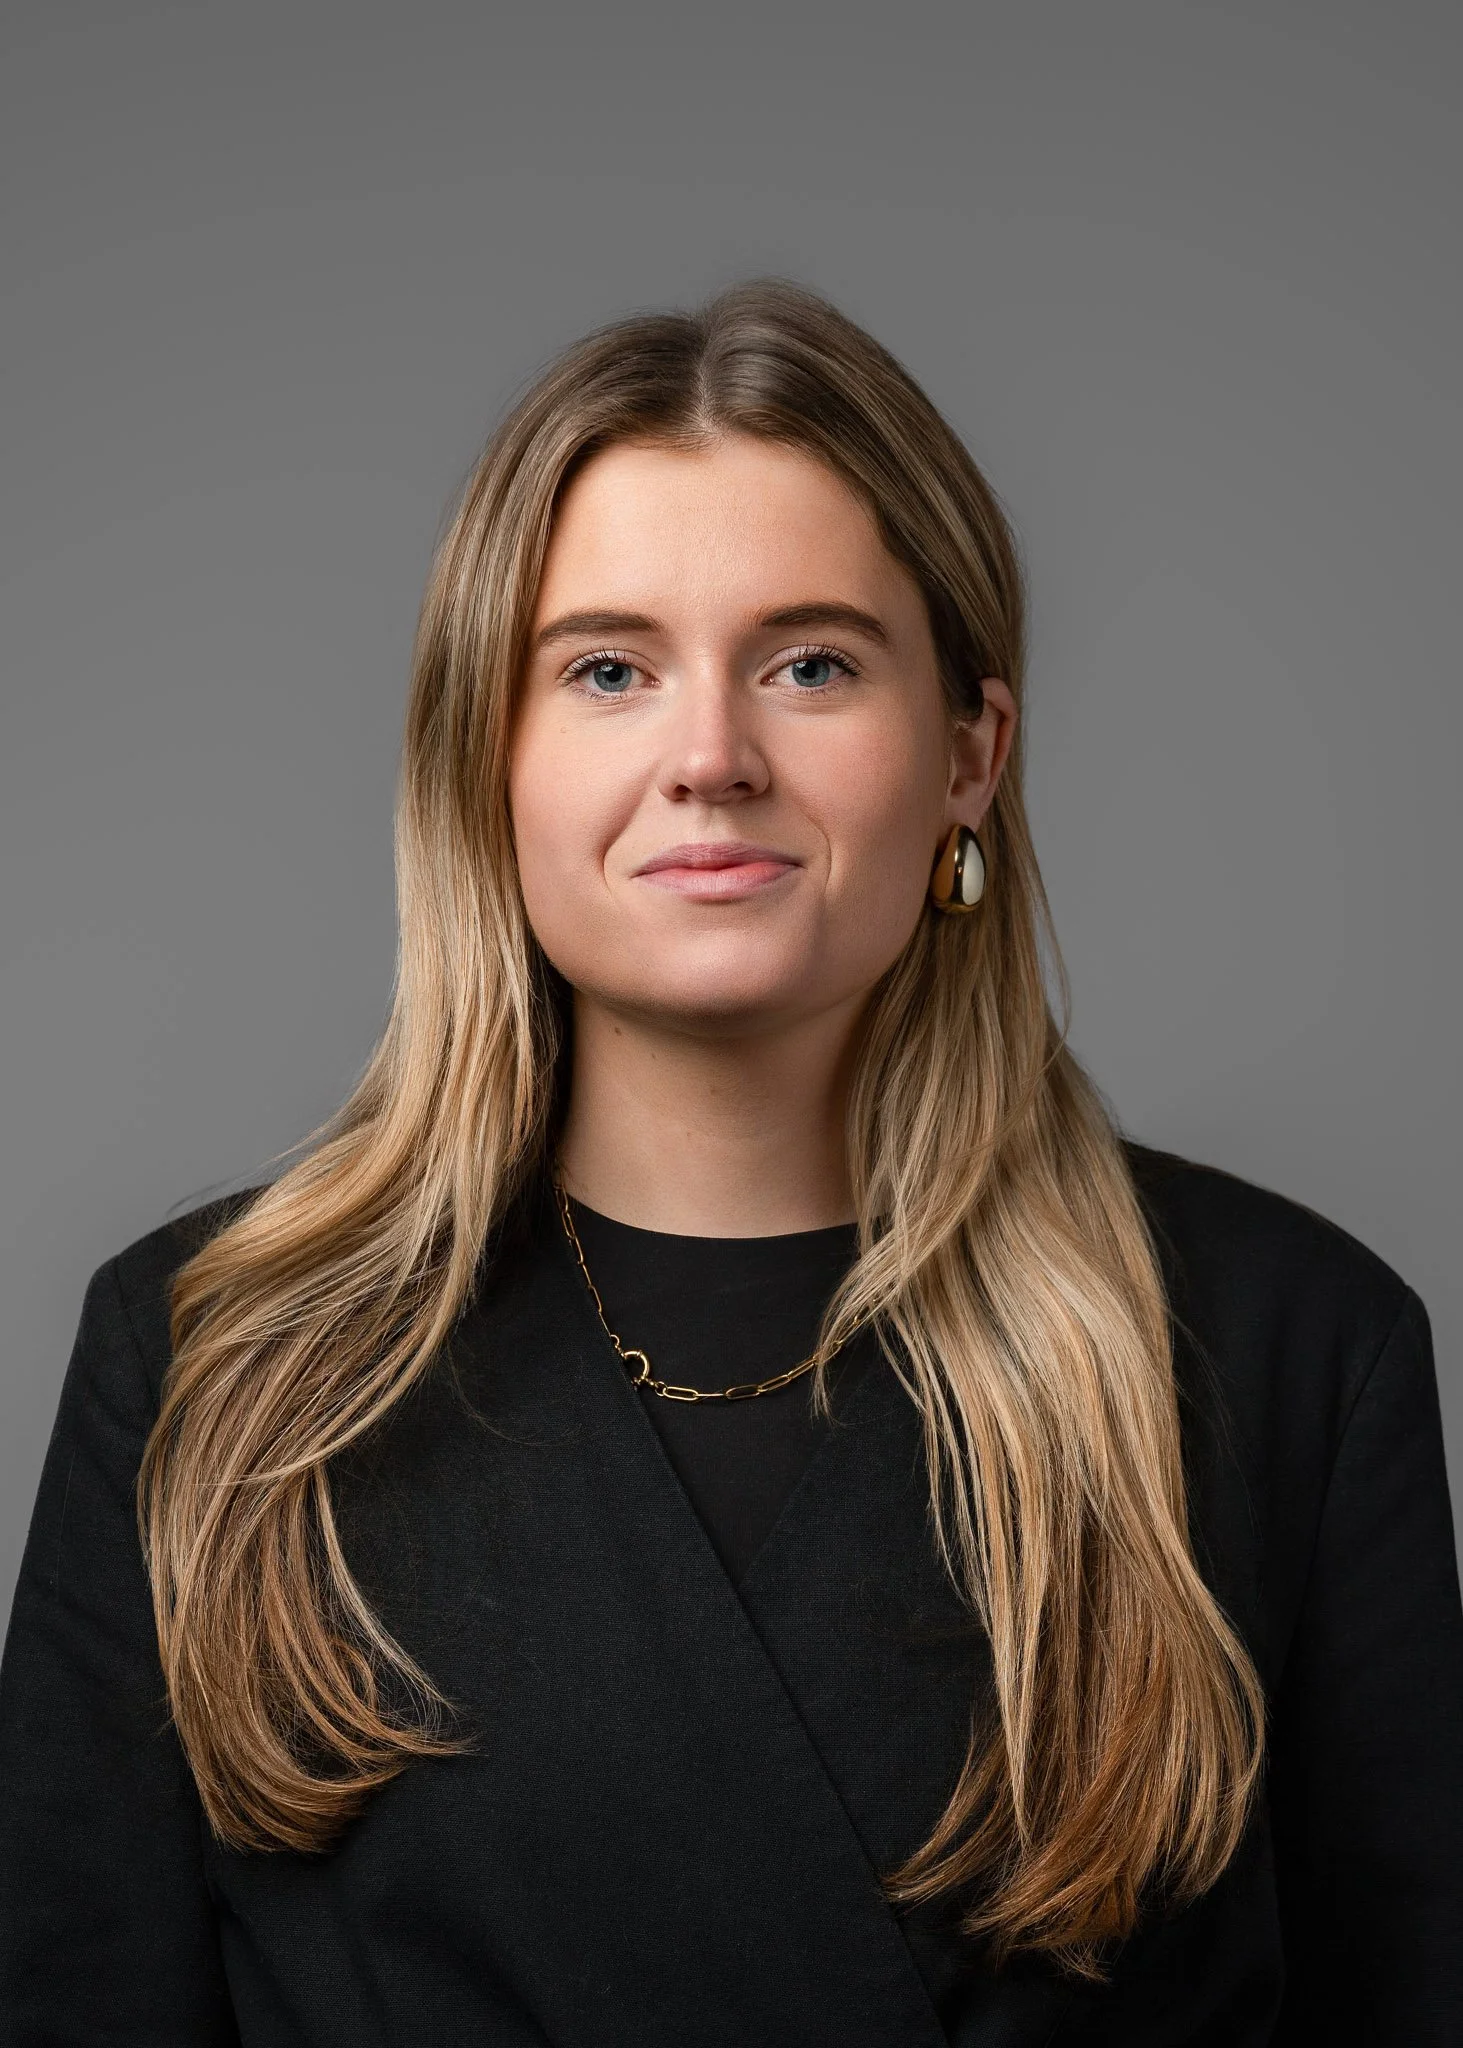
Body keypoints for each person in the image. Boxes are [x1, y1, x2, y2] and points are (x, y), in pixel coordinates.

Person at [1, 278, 1460, 2048]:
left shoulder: (1289, 1354)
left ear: (969, 754)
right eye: (607, 671)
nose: (709, 760)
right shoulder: (215, 1360)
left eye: (810, 665)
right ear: (486, 759)